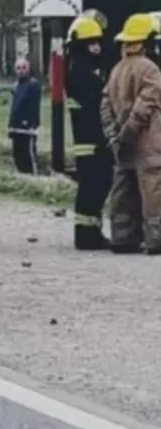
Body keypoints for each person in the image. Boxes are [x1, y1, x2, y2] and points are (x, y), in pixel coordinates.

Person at [100, 13, 161, 254]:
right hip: (148, 144)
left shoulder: (117, 69)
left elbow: (105, 104)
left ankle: (122, 236)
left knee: (123, 190)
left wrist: (114, 136)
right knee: (153, 189)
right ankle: (156, 238)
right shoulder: (151, 70)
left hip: (123, 145)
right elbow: (145, 107)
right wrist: (127, 134)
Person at [66, 13, 112, 250]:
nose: (97, 47)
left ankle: (89, 232)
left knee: (95, 185)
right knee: (94, 185)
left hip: (90, 138)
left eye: (98, 42)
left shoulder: (82, 68)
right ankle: (87, 235)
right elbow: (95, 103)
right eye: (91, 43)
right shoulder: (82, 73)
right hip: (90, 140)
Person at [7, 57, 42, 175]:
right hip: (15, 125)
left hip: (27, 126)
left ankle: (33, 176)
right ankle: (21, 175)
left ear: (28, 69)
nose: (21, 71)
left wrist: (31, 123)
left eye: (23, 68)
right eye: (18, 68)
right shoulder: (16, 86)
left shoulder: (33, 85)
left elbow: (34, 106)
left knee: (28, 153)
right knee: (17, 154)